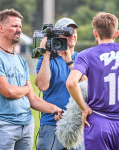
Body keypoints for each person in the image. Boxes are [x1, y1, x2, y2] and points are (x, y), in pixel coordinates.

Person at [0, 9, 62, 150]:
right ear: (1, 28)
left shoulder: (20, 60)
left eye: (20, 26)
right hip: (3, 126)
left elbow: (32, 98)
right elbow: (7, 91)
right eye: (14, 26)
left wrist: (55, 109)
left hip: (26, 126)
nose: (18, 30)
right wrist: (26, 89)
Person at [66, 12, 119, 150]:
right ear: (116, 33)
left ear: (95, 33)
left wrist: (84, 108)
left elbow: (71, 82)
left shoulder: (87, 54)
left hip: (98, 122)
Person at [35, 18, 85, 150]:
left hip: (77, 125)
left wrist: (69, 61)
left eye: (74, 31)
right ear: (57, 36)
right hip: (51, 123)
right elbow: (42, 86)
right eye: (67, 32)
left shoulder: (83, 59)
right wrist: (46, 54)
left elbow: (87, 86)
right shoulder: (47, 59)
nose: (72, 34)